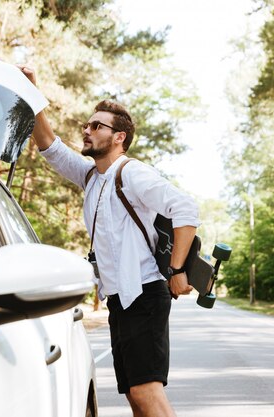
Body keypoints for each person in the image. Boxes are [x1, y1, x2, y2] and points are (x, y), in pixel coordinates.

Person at [20, 66, 200, 417]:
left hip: (145, 293)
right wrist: (31, 94)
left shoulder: (130, 172)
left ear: (119, 137)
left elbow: (185, 208)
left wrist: (177, 270)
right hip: (121, 298)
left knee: (146, 393)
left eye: (96, 126)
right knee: (135, 395)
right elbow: (50, 146)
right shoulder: (92, 176)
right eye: (86, 125)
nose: (86, 131)